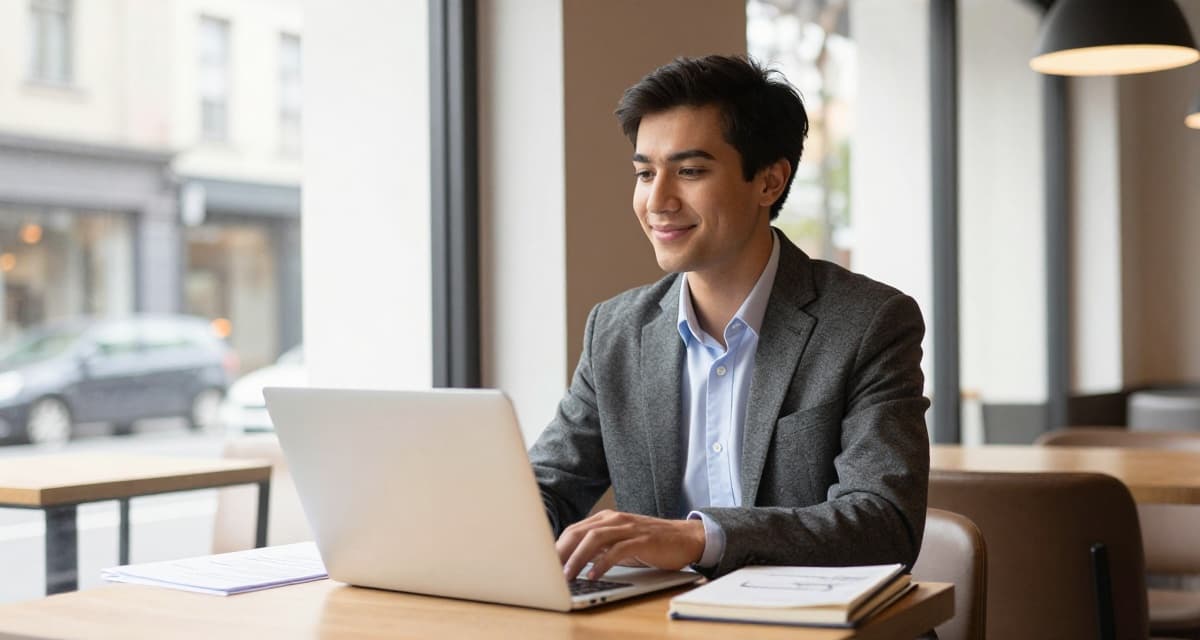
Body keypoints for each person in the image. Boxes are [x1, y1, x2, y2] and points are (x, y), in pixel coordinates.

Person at [528, 54, 929, 581]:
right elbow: (548, 485)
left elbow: (884, 522)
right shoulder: (616, 330)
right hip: (655, 622)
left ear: (769, 182)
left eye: (690, 171)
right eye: (645, 173)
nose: (657, 200)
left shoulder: (869, 323)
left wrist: (699, 537)